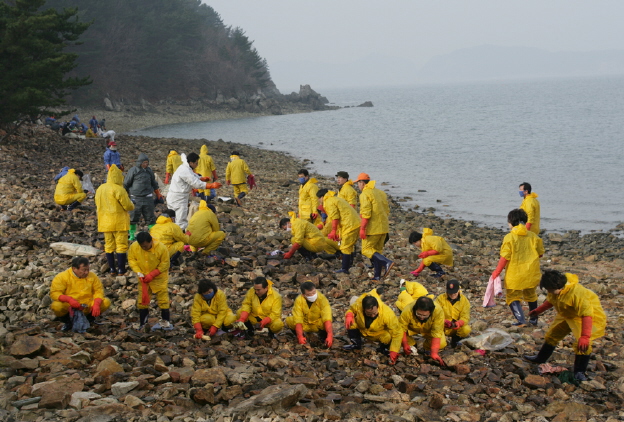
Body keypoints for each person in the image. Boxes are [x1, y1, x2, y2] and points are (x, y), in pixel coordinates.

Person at [524, 270, 606, 381]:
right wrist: (538, 311)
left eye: (551, 290)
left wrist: (585, 336)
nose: (549, 292)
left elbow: (587, 315)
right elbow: (550, 301)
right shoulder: (554, 290)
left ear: (560, 287)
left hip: (583, 317)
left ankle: (579, 372)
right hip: (566, 314)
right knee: (552, 335)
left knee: (582, 345)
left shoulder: (577, 294)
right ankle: (540, 358)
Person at [491, 209, 545, 326]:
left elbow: (504, 257)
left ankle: (521, 320)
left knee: (512, 296)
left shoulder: (509, 237)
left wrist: (497, 272)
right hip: (531, 272)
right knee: (531, 295)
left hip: (515, 274)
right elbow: (540, 253)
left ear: (511, 222)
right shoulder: (533, 236)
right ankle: (533, 319)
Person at [50, 257, 111, 331]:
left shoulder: (93, 276)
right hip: (71, 305)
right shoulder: (62, 277)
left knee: (106, 302)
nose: (86, 272)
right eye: (83, 270)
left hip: (87, 304)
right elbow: (55, 293)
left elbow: (98, 291)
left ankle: (89, 319)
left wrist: (96, 304)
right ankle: (68, 322)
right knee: (57, 306)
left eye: (88, 269)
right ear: (74, 268)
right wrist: (69, 299)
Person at [95, 165, 135, 276]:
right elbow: (127, 206)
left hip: (105, 222)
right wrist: (133, 204)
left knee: (109, 245)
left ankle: (112, 269)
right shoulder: (119, 189)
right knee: (121, 245)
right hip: (119, 221)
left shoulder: (100, 188)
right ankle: (121, 270)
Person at [128, 231, 172, 330]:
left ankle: (166, 322)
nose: (144, 248)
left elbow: (165, 263)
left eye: (146, 246)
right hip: (143, 277)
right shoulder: (134, 247)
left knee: (163, 298)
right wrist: (138, 272)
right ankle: (143, 323)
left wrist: (153, 274)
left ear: (150, 241)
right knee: (142, 299)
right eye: (142, 246)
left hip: (159, 277)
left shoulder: (161, 248)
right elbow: (131, 259)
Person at [167, 152, 222, 231]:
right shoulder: (184, 170)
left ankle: (173, 233)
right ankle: (180, 237)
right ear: (191, 162)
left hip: (177, 196)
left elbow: (192, 176)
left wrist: (201, 178)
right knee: (180, 220)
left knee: (174, 218)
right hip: (178, 198)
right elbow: (195, 183)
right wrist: (211, 185)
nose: (197, 165)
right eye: (196, 163)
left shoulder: (185, 168)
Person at [343, 293, 402, 365]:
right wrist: (349, 315)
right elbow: (351, 309)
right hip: (362, 330)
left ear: (377, 307)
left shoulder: (388, 314)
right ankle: (356, 344)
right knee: (351, 322)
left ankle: (383, 349)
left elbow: (398, 333)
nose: (372, 315)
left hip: (377, 334)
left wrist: (394, 351)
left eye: (374, 313)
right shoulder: (359, 305)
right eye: (369, 314)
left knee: (388, 336)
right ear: (363, 309)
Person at [356, 173, 393, 280]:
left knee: (366, 250)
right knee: (376, 251)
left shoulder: (365, 194)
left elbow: (366, 214)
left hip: (372, 228)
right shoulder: (380, 192)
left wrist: (362, 228)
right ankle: (377, 276)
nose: (358, 186)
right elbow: (387, 210)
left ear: (362, 183)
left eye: (358, 183)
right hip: (383, 227)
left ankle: (387, 262)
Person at [317, 189, 360, 273]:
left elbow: (335, 218)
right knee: (349, 246)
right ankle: (349, 265)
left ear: (322, 197)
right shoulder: (335, 199)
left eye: (318, 198)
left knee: (345, 247)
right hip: (353, 223)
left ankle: (345, 269)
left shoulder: (328, 201)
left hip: (350, 224)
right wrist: (338, 233)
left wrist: (333, 231)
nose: (318, 201)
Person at [125, 153, 163, 241]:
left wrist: (158, 193)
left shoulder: (149, 171)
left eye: (147, 162)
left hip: (148, 197)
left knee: (150, 217)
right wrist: (126, 195)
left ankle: (153, 234)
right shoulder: (133, 170)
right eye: (144, 162)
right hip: (135, 197)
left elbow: (154, 183)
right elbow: (126, 184)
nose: (145, 164)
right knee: (133, 217)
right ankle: (132, 235)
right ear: (140, 162)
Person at [399, 296, 446, 366]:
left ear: (430, 312)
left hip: (428, 330)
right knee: (395, 336)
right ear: (415, 309)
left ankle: (426, 348)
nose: (421, 317)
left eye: (425, 315)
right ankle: (412, 344)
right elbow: (401, 329)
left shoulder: (438, 312)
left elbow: (437, 333)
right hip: (412, 329)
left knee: (442, 343)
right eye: (418, 314)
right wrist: (405, 344)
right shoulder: (407, 310)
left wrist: (434, 353)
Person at [285, 282, 333, 348]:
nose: (312, 295)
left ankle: (323, 338)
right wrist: (300, 337)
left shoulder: (322, 299)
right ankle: (301, 336)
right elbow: (298, 319)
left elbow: (327, 317)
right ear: (303, 295)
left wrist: (330, 336)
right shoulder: (299, 300)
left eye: (314, 292)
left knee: (326, 323)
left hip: (317, 324)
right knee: (290, 320)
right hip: (304, 324)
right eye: (309, 294)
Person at [435, 279, 471, 347]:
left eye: (454, 293)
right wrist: (443, 321)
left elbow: (465, 316)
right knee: (440, 345)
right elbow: (435, 313)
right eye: (450, 293)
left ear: (458, 290)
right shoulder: (440, 298)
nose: (452, 295)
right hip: (442, 326)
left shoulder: (464, 301)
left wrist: (459, 323)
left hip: (456, 327)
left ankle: (456, 339)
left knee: (466, 329)